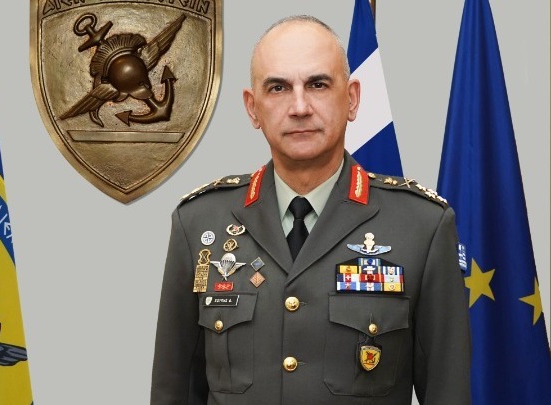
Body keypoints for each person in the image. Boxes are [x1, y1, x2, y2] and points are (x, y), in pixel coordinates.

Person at [150, 15, 470, 405]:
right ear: (252, 108)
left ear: (351, 98)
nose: (299, 107)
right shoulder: (199, 223)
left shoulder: (422, 227)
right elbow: (173, 392)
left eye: (318, 84)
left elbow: (448, 392)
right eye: (278, 88)